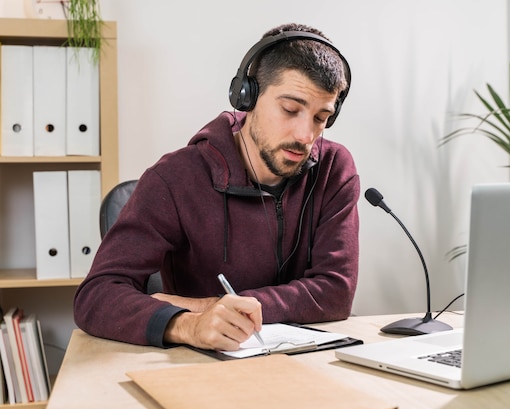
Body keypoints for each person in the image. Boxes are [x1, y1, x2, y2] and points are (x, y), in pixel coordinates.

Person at [73, 23, 360, 352]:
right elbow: (96, 296)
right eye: (290, 110)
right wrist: (187, 324)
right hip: (201, 368)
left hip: (307, 362)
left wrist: (209, 305)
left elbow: (336, 292)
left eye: (320, 117)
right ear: (247, 97)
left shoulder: (334, 169)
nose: (306, 135)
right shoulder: (175, 178)